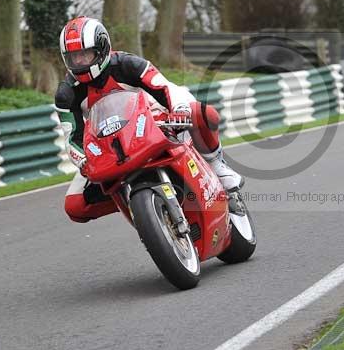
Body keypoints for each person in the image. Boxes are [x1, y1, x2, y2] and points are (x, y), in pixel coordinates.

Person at [54, 16, 244, 223]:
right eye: (73, 57)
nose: (80, 62)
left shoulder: (128, 65)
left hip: (154, 123)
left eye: (85, 54)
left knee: (202, 113)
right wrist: (83, 159)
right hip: (108, 147)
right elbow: (72, 137)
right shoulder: (66, 94)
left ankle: (217, 166)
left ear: (101, 49)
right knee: (75, 206)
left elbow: (165, 87)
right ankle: (135, 203)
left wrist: (179, 110)